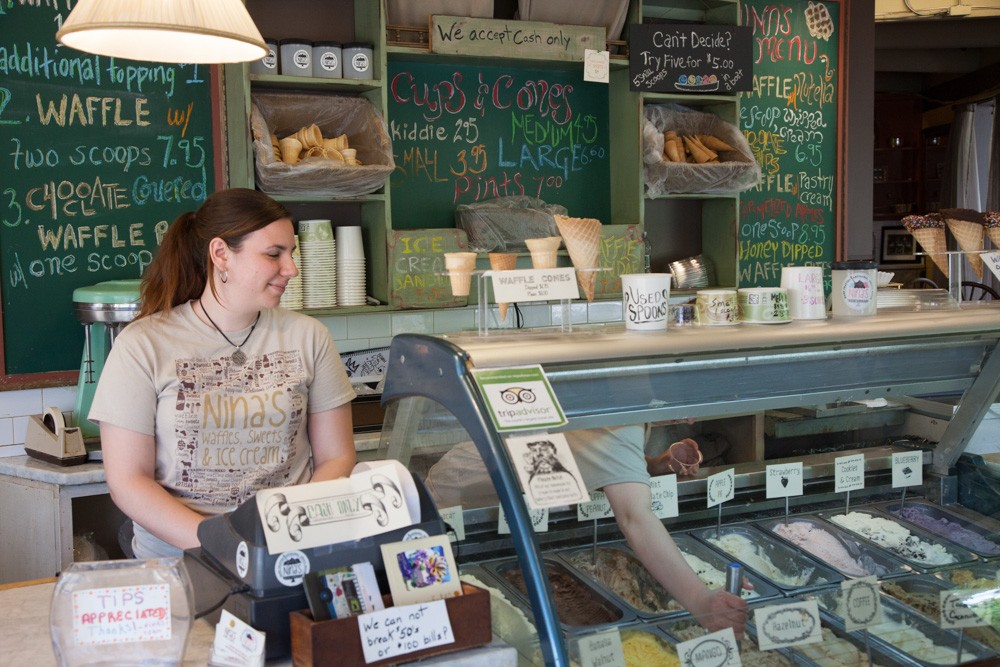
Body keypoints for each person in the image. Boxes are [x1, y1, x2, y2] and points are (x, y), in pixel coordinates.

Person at [89, 188, 357, 558]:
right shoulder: (143, 344)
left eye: (291, 253)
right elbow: (128, 481)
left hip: (286, 551)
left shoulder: (309, 337)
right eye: (273, 254)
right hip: (180, 561)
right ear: (221, 255)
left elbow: (336, 457)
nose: (291, 269)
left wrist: (287, 531)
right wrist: (220, 545)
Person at [425, 425, 748, 637]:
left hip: (527, 502)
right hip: (472, 505)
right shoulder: (620, 402)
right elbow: (634, 517)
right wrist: (700, 601)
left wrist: (650, 465)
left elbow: (589, 448)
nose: (692, 415)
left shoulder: (619, 397)